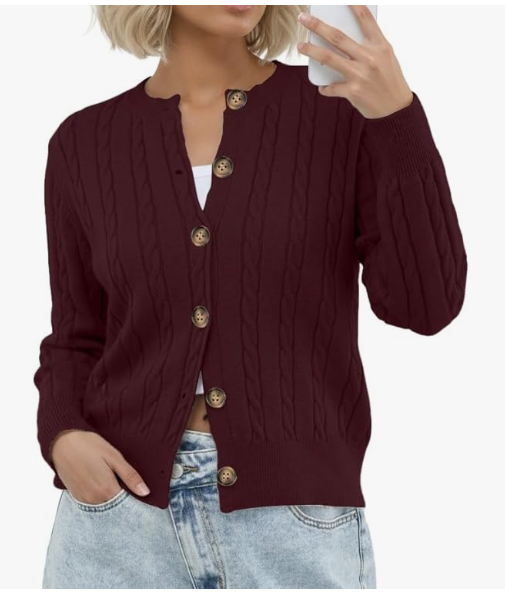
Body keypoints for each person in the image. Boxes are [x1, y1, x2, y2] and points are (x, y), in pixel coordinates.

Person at [34, 5, 467, 589]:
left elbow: (426, 305)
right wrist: (63, 433)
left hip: (290, 523)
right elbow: (75, 337)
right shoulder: (83, 143)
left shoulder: (341, 113)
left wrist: (397, 117)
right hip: (116, 520)